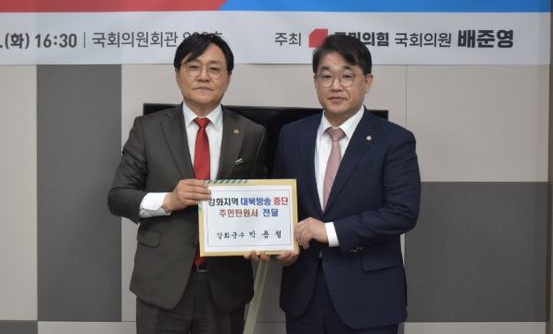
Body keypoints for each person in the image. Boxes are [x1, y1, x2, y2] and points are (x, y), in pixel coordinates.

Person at [107, 33, 267, 334]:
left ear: (228, 78)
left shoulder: (250, 133)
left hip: (226, 285)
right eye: (193, 67)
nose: (204, 76)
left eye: (214, 68)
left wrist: (263, 239)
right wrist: (168, 200)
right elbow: (118, 197)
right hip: (162, 282)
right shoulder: (148, 129)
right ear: (177, 74)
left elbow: (259, 201)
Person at [272, 34, 421, 334]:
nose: (336, 86)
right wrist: (279, 244)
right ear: (316, 81)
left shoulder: (394, 140)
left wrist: (328, 231)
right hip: (304, 297)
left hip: (368, 297)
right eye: (326, 76)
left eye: (347, 76)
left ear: (367, 82)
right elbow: (279, 202)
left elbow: (402, 213)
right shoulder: (292, 135)